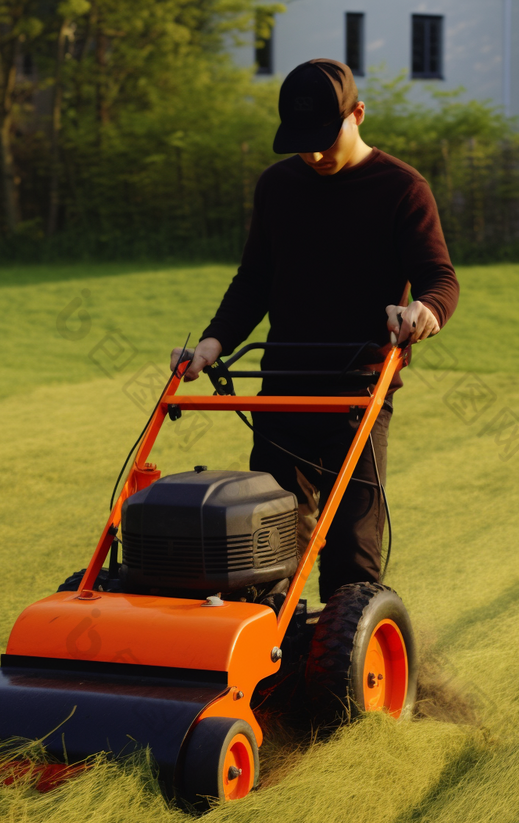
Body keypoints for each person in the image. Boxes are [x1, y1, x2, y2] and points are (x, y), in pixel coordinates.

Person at [171, 58, 459, 603]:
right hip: (283, 391)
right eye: (302, 143)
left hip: (358, 396)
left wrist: (424, 311)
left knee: (352, 552)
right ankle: (271, 668)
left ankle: (342, 674)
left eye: (326, 139)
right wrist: (210, 345)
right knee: (269, 548)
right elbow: (254, 280)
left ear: (359, 114)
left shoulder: (401, 187)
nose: (315, 154)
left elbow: (439, 278)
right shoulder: (278, 186)